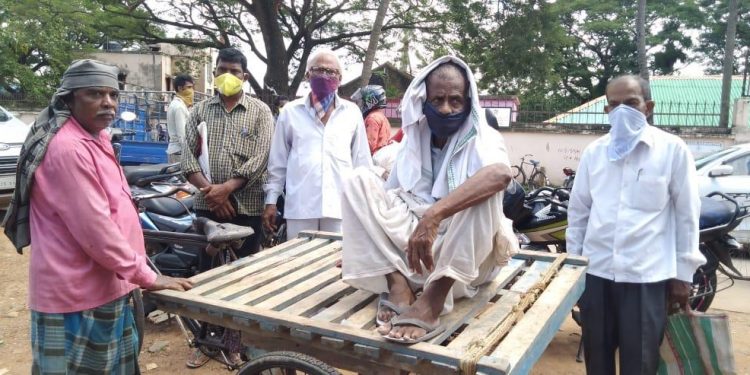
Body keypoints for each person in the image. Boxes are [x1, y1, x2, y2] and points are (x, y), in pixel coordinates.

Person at [2, 59, 192, 373]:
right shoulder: (68, 148)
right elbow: (96, 231)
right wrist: (147, 275)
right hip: (76, 294)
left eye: (113, 95)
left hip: (106, 283)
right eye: (95, 94)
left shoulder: (97, 137)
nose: (108, 102)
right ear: (70, 99)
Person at [340, 56, 518, 344]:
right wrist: (363, 239)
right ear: (424, 101)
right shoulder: (413, 138)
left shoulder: (484, 137)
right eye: (438, 100)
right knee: (358, 180)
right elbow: (389, 197)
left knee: (485, 195)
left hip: (463, 264)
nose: (446, 108)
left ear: (468, 101)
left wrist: (434, 215)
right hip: (413, 254)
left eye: (455, 100)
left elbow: (500, 173)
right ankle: (397, 286)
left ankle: (433, 300)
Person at [566, 75, 705, 375]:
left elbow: (686, 215)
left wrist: (683, 274)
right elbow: (579, 213)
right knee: (597, 359)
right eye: (614, 105)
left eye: (630, 103)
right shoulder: (595, 153)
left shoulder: (672, 150)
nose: (622, 112)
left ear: (648, 106)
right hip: (597, 273)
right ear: (606, 111)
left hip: (646, 277)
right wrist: (573, 270)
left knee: (640, 362)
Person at [181, 47, 274, 367]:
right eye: (222, 69)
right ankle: (204, 341)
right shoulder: (200, 110)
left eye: (234, 71)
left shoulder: (260, 111)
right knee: (207, 275)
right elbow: (186, 158)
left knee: (241, 276)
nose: (227, 76)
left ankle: (236, 343)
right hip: (207, 208)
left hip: (246, 207)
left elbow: (261, 158)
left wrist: (228, 190)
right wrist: (212, 194)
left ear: (245, 76)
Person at [262, 49, 372, 240]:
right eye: (318, 70)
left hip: (341, 207)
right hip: (301, 208)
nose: (325, 75)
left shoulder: (352, 113)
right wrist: (271, 201)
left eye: (331, 72)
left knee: (338, 263)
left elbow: (362, 163)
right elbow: (277, 163)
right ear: (307, 75)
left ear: (340, 78)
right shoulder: (289, 113)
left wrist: (367, 203)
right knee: (298, 263)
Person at [351, 85, 392, 154]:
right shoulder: (381, 116)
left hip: (373, 159)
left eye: (362, 101)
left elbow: (369, 146)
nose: (361, 104)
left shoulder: (372, 118)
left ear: (370, 101)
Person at [167, 73, 194, 163]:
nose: (191, 91)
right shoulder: (179, 107)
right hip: (179, 152)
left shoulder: (177, 104)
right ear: (180, 88)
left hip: (176, 151)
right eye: (189, 87)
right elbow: (182, 136)